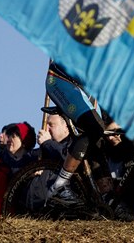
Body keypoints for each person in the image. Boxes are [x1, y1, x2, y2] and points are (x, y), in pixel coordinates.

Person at [44, 61, 113, 207]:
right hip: (61, 79)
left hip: (84, 87)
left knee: (98, 139)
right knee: (94, 128)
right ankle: (59, 187)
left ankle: (108, 198)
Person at [0, 122, 36, 217]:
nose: (9, 139)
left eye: (13, 136)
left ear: (25, 141)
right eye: (9, 136)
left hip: (26, 222)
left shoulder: (35, 167)